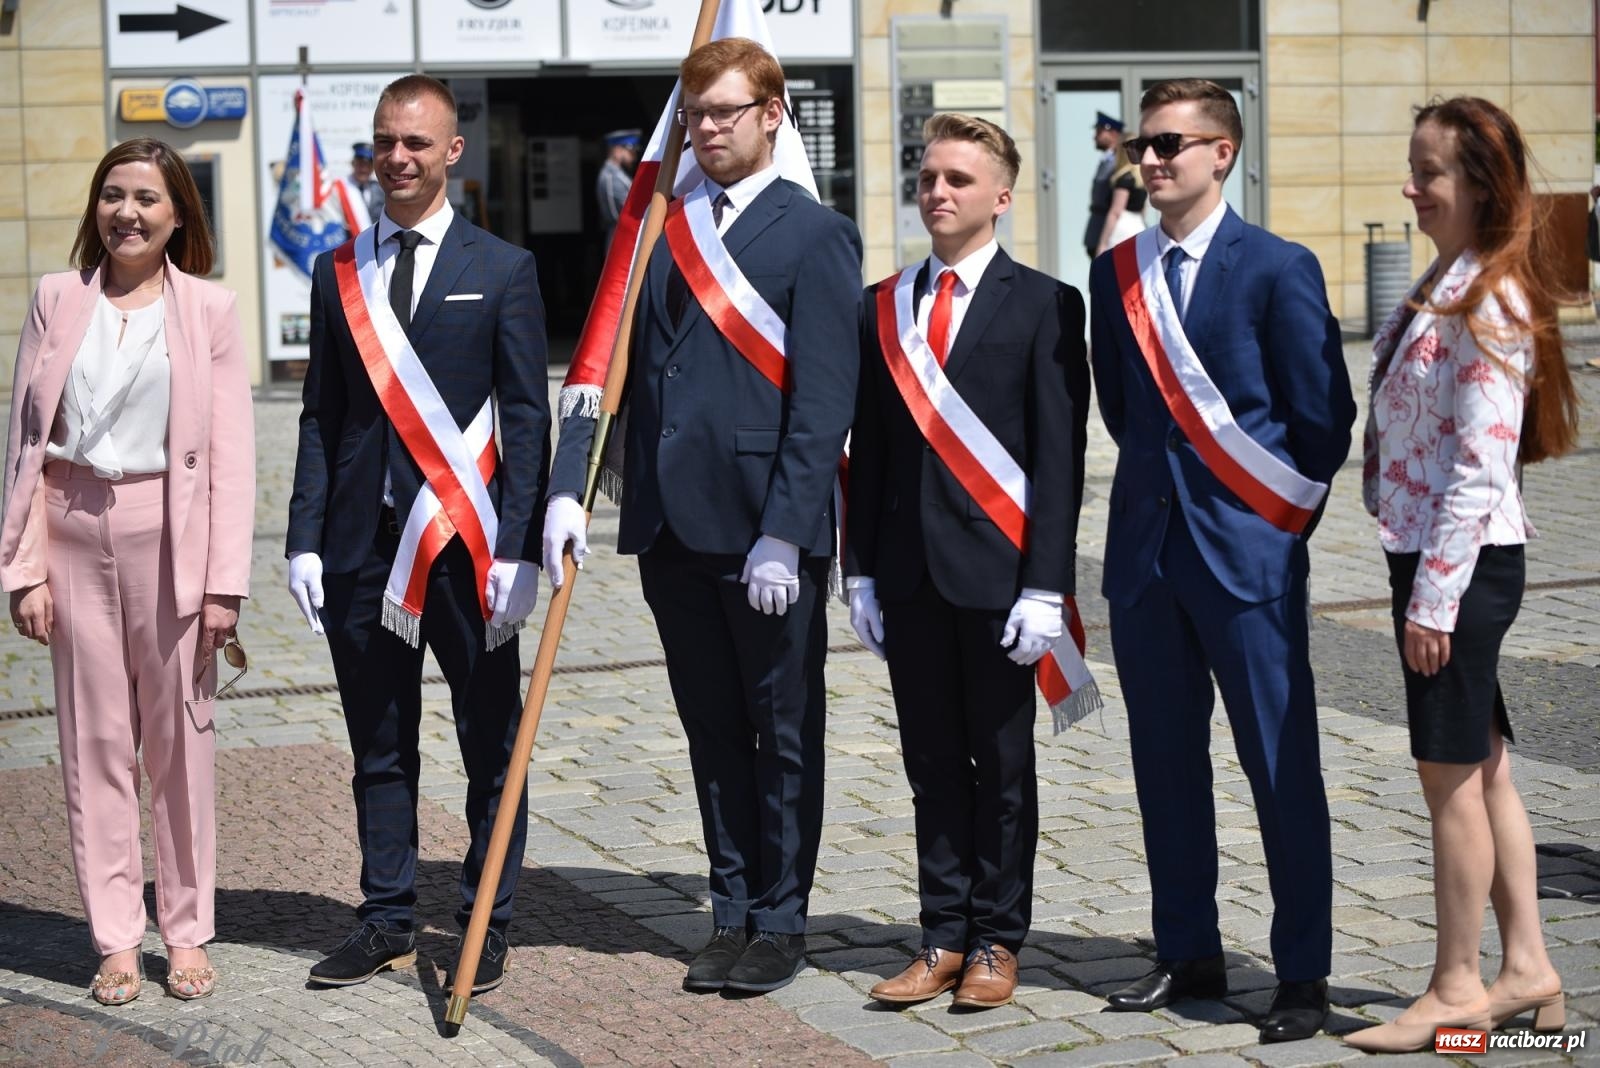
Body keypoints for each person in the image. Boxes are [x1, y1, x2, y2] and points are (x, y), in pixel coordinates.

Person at [542, 37, 862, 996]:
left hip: (764, 533)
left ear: (773, 114)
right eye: (696, 113)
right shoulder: (657, 227)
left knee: (783, 732)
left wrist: (787, 528)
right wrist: (568, 484)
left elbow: (824, 401)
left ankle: (781, 921)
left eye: (726, 111)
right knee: (711, 730)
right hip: (670, 527)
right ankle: (728, 911)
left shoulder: (815, 234)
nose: (708, 128)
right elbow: (605, 361)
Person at [1087, 79, 1355, 1043]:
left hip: (1248, 560)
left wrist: (1272, 525)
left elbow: (1323, 420)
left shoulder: (1279, 267)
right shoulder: (1114, 277)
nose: (1151, 160)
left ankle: (1302, 974)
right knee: (1164, 764)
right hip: (1148, 562)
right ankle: (1188, 949)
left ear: (1222, 153)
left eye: (1171, 144)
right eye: (1144, 147)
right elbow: (1125, 417)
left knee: (1282, 767)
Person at [286, 75, 550, 995]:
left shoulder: (504, 268)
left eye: (414, 143)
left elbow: (526, 418)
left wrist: (519, 550)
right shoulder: (340, 271)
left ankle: (485, 919)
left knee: (490, 744)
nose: (395, 159)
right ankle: (387, 917)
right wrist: (303, 539)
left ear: (451, 153)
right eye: (382, 143)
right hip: (365, 550)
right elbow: (322, 415)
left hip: (469, 555)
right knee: (380, 746)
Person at [1345, 96, 1577, 1054]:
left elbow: (1482, 468)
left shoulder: (1492, 296)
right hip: (1448, 558)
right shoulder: (1453, 276)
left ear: (1479, 184)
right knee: (1487, 771)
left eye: (1428, 172)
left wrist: (1432, 598)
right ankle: (1530, 973)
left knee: (1449, 783)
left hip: (1462, 566)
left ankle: (1455, 990)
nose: (1412, 186)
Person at [1, 138, 255, 1004]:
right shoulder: (54, 299)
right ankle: (115, 938)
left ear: (178, 213)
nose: (127, 213)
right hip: (71, 530)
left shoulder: (209, 311)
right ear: (95, 208)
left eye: (147, 198)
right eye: (113, 196)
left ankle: (185, 932)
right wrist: (22, 568)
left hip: (169, 535)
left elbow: (231, 457)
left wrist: (224, 585)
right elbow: (24, 445)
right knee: (95, 746)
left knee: (180, 744)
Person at [846, 113, 1089, 1010]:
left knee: (1002, 766)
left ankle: (997, 940)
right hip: (909, 579)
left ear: (1001, 195)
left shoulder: (1046, 304)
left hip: (999, 583)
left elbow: (1061, 460)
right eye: (928, 177)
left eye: (957, 178)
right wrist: (861, 568)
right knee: (930, 765)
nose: (938, 192)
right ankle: (941, 936)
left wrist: (1046, 586)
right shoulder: (883, 305)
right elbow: (867, 449)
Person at [1083, 112, 1124, 259]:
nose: (1095, 136)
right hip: (1098, 227)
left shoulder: (1118, 163)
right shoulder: (1107, 160)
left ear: (1113, 133)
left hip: (1111, 232)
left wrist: (1104, 241)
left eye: (1099, 131)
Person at [596, 128, 641, 250]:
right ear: (617, 150)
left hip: (623, 237)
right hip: (620, 239)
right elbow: (622, 212)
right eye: (631, 151)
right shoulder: (611, 177)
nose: (634, 157)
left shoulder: (617, 174)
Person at [1094, 153, 1147, 256]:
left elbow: (1116, 211)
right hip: (1139, 226)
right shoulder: (1141, 179)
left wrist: (1103, 244)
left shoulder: (1124, 178)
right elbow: (1143, 209)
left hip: (1122, 227)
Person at [343, 142, 385, 227]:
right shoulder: (341, 188)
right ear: (352, 163)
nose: (364, 169)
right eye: (360, 164)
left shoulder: (380, 189)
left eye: (368, 165)